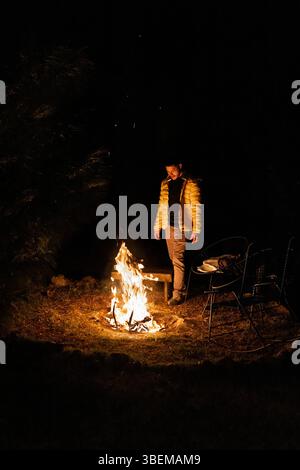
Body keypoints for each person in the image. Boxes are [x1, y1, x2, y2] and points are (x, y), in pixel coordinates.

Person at [154, 160, 202, 305]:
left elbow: (197, 207)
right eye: (168, 171)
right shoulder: (165, 183)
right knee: (172, 257)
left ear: (180, 166)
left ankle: (177, 294)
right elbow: (161, 206)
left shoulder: (190, 183)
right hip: (169, 226)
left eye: (173, 171)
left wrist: (196, 229)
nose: (170, 174)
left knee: (178, 259)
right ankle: (182, 287)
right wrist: (158, 226)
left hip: (183, 226)